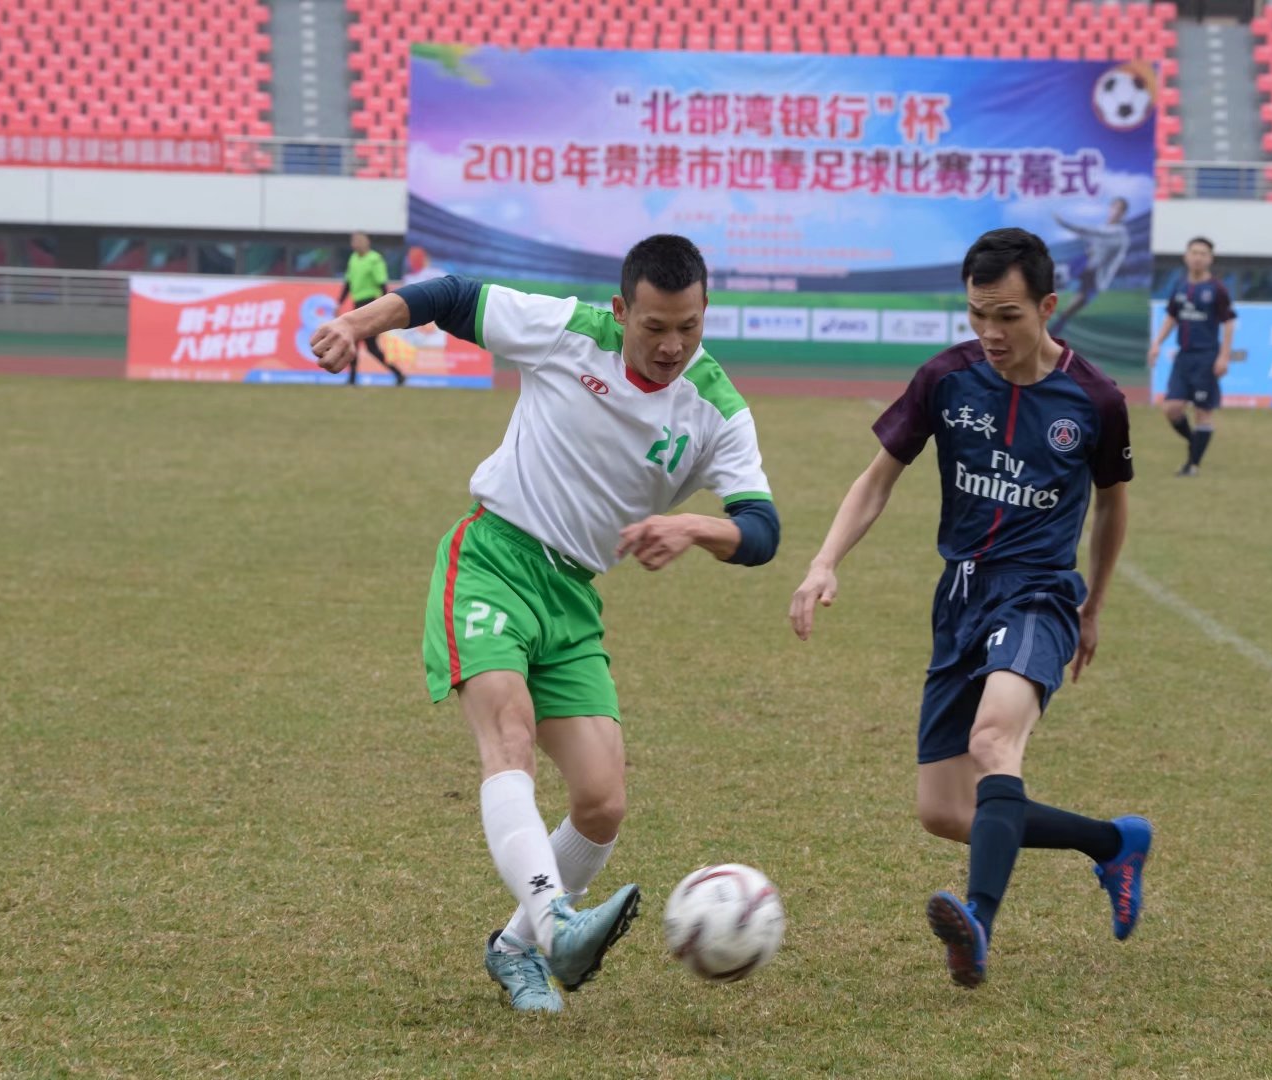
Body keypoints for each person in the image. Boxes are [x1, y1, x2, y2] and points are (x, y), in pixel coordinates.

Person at [310, 234, 781, 1014]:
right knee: (510, 737)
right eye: (654, 326)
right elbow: (453, 295)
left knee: (601, 802)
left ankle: (514, 948)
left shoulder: (717, 408)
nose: (671, 346)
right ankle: (555, 917)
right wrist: (363, 323)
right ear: (622, 309)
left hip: (572, 598)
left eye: (689, 328)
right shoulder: (570, 331)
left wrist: (698, 529)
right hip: (492, 557)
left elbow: (761, 530)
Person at [789, 228, 1151, 989]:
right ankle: (1112, 843)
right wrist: (825, 560)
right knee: (946, 811)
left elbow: (1114, 508)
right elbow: (878, 478)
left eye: (1009, 315)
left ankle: (977, 924)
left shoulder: (1095, 400)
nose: (990, 333)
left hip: (1039, 595)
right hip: (958, 596)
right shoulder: (947, 379)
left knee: (994, 742)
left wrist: (1093, 609)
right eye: (977, 313)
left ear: (1048, 307)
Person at [1146, 236, 1238, 477]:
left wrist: (1223, 357)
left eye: (1203, 253)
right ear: (1186, 256)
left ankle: (1192, 465)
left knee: (1202, 412)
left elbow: (1229, 322)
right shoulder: (1179, 286)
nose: (1198, 257)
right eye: (1194, 252)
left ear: (1210, 258)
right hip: (1183, 357)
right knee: (1171, 408)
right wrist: (1156, 344)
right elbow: (1172, 317)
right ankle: (1194, 442)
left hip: (1206, 357)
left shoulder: (1217, 289)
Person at [1048, 197, 1130, 339]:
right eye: (1114, 207)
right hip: (1083, 264)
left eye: (1120, 209)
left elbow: (1093, 233)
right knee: (1052, 283)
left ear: (1123, 213)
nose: (1116, 212)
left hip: (1095, 276)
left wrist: (1065, 224)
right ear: (1110, 208)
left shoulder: (1119, 233)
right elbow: (1094, 243)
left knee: (1069, 311)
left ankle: (1050, 337)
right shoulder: (1104, 227)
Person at [338, 231, 406, 386]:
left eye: (358, 240)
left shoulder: (375, 259)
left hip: (370, 305)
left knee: (367, 345)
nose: (355, 243)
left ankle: (397, 374)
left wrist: (385, 306)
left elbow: (382, 284)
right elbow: (348, 283)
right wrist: (339, 303)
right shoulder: (353, 259)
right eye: (353, 240)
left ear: (367, 242)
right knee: (359, 342)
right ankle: (354, 378)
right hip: (358, 305)